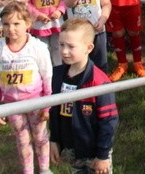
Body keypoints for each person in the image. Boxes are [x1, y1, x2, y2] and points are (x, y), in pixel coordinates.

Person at [0, 1, 53, 174]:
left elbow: (47, 76)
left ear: (28, 24)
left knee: (40, 136)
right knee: (22, 140)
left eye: (17, 23)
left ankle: (45, 168)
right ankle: (28, 170)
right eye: (7, 24)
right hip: (12, 105)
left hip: (35, 103)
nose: (11, 29)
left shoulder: (38, 48)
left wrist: (47, 105)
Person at [49, 19, 118, 173]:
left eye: (71, 46)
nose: (64, 51)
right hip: (72, 148)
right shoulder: (58, 75)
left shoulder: (99, 82)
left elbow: (109, 121)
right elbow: (54, 111)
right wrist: (54, 139)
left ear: (89, 48)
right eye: (61, 45)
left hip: (95, 152)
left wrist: (103, 155)